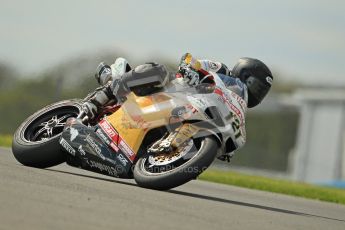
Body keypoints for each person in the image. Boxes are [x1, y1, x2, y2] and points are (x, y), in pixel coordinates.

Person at [82, 53, 273, 161]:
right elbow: (190, 60)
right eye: (256, 85)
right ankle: (100, 98)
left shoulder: (237, 107)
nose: (257, 93)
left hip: (186, 113)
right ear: (244, 73)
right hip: (174, 90)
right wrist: (191, 69)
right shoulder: (220, 69)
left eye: (261, 91)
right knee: (158, 70)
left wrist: (225, 148)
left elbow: (230, 126)